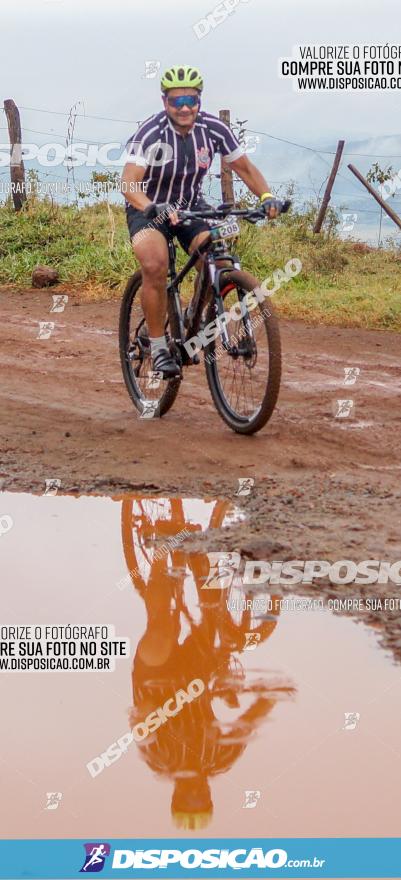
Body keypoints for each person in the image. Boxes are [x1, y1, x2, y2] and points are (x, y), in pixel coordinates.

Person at [121, 64, 282, 378]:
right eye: (176, 101)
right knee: (155, 266)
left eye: (191, 100)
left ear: (200, 100)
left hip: (190, 206)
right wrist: (151, 207)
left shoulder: (214, 129)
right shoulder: (151, 133)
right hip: (148, 206)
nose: (184, 108)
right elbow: (129, 183)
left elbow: (246, 169)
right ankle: (157, 346)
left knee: (217, 259)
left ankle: (195, 318)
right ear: (164, 102)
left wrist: (266, 198)